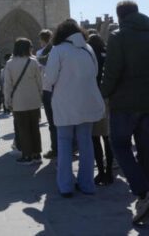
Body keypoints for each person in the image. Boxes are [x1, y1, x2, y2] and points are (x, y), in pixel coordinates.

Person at [102, 1, 149, 223]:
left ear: (120, 17)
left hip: (125, 104)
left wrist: (104, 93)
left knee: (119, 145)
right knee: (146, 149)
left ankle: (144, 194)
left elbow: (112, 71)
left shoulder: (118, 37)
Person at [43, 19, 104, 198]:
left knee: (64, 142)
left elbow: (50, 78)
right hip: (87, 101)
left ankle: (66, 185)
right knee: (86, 142)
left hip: (65, 103)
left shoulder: (58, 50)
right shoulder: (88, 48)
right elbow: (95, 72)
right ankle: (87, 184)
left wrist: (47, 88)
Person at [3, 38, 43, 164]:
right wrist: (40, 96)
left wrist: (7, 101)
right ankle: (37, 154)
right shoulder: (34, 62)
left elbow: (7, 85)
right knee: (35, 128)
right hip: (34, 100)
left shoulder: (10, 63)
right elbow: (39, 82)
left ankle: (27, 156)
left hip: (19, 102)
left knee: (23, 130)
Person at [87, 33, 113, 186]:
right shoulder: (108, 55)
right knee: (108, 138)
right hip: (108, 98)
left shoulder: (89, 57)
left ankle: (101, 172)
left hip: (93, 98)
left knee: (95, 137)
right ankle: (109, 171)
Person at [36, 29, 56, 159]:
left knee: (52, 122)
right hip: (58, 88)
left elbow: (38, 71)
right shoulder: (57, 49)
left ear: (42, 40)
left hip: (47, 89)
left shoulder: (39, 54)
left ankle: (55, 148)